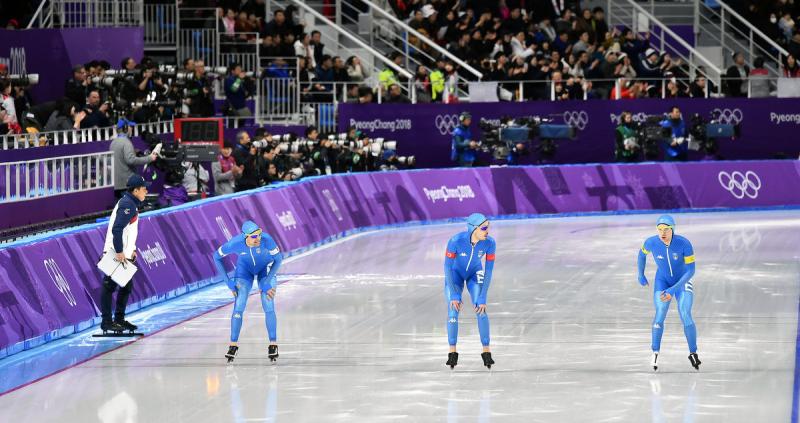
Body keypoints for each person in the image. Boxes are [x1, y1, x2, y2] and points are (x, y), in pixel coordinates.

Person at [213, 221, 283, 363]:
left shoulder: (267, 239)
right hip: (244, 270)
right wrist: (228, 282)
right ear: (245, 236)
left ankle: (273, 344)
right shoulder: (235, 243)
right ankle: (233, 345)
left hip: (266, 269)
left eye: (259, 235)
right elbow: (216, 257)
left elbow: (278, 259)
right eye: (253, 237)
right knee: (239, 303)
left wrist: (267, 281)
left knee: (268, 302)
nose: (258, 239)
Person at [637, 215, 700, 371]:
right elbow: (642, 254)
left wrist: (673, 289)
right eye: (659, 229)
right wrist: (640, 274)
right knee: (660, 313)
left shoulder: (684, 244)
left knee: (685, 312)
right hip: (662, 281)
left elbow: (691, 271)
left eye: (666, 229)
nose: (662, 233)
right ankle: (655, 351)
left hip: (682, 281)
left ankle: (693, 352)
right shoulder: (651, 242)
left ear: (673, 230)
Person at [443, 213, 497, 370]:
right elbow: (447, 267)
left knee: (481, 309)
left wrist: (483, 296)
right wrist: (454, 294)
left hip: (475, 273)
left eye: (488, 227)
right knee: (453, 310)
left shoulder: (490, 243)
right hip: (455, 275)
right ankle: (452, 352)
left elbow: (488, 271)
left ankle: (486, 351)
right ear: (474, 229)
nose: (487, 231)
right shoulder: (455, 241)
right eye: (484, 228)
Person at [100, 174, 150, 333]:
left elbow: (129, 230)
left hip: (122, 253)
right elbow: (117, 229)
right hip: (115, 253)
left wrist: (131, 249)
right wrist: (120, 251)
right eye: (144, 189)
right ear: (135, 190)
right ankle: (107, 322)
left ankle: (118, 320)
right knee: (109, 286)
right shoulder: (127, 204)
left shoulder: (131, 203)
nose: (146, 191)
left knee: (126, 286)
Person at [111, 119, 157, 198]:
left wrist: (134, 152)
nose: (132, 129)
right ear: (125, 128)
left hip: (117, 185)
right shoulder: (126, 142)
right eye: (130, 127)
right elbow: (131, 160)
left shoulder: (113, 142)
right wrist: (149, 158)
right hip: (127, 184)